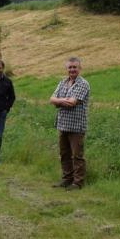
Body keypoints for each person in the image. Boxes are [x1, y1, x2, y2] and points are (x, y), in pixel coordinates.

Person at [49, 57, 90, 190]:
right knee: (64, 154)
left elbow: (72, 103)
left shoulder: (83, 84)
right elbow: (51, 99)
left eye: (75, 67)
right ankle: (67, 179)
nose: (72, 69)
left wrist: (58, 101)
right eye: (70, 67)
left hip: (76, 126)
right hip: (62, 125)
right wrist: (63, 101)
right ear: (66, 69)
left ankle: (78, 183)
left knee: (77, 156)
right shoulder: (62, 82)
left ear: (79, 68)